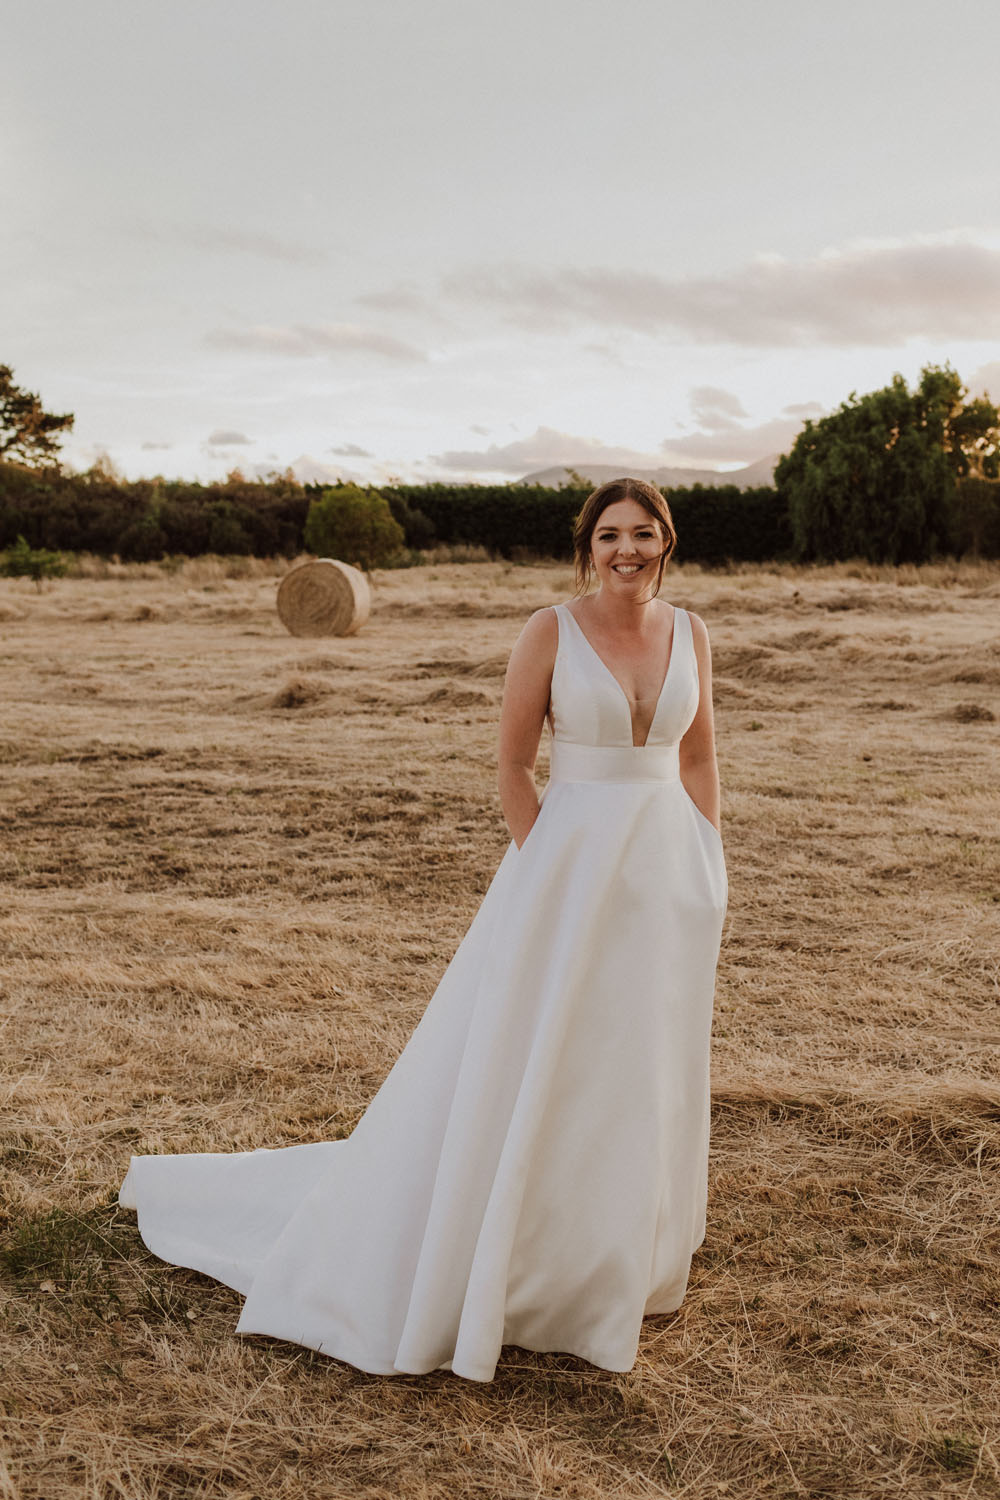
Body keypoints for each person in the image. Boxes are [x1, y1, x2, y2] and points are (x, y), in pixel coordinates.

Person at [119, 476, 728, 1382]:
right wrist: (543, 867)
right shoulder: (549, 631)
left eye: (643, 534)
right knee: (540, 1056)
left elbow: (699, 753)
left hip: (668, 880)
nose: (626, 551)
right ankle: (512, 1257)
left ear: (666, 541)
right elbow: (515, 764)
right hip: (563, 880)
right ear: (587, 546)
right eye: (609, 535)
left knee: (635, 1062)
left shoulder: (692, 633)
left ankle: (615, 1251)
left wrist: (710, 861)